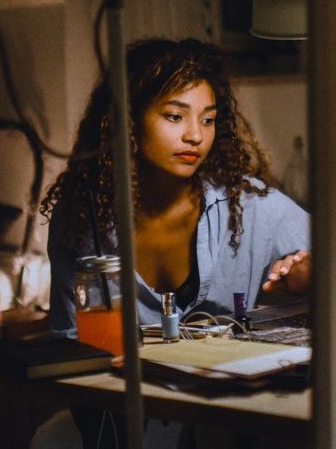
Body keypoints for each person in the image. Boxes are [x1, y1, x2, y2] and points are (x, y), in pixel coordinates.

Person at [37, 38, 311, 448]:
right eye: (174, 116)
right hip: (130, 418)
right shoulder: (83, 216)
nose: (194, 136)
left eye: (208, 119)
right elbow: (69, 338)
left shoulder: (251, 206)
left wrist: (311, 273)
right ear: (128, 120)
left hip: (232, 422)